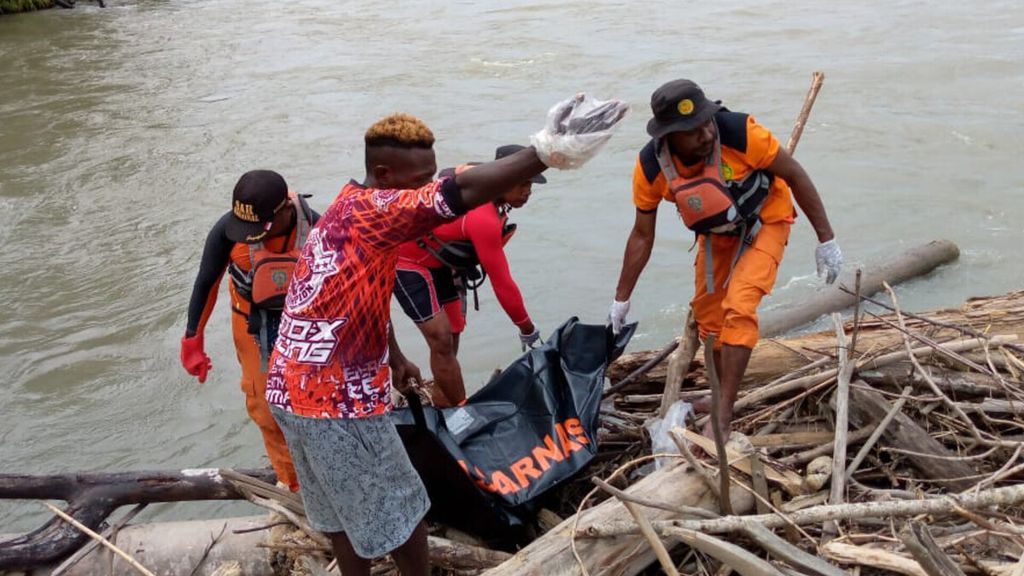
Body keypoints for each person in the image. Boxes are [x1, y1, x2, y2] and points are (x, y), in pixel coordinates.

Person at [265, 99, 626, 576]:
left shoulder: (346, 205)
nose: (426, 188)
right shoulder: (380, 209)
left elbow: (350, 293)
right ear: (383, 172)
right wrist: (546, 151)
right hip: (335, 400)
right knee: (404, 507)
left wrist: (393, 358)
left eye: (430, 175)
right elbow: (459, 191)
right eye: (418, 180)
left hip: (288, 389)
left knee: (338, 510)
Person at [608, 79, 842, 440]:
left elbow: (793, 174)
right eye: (691, 130)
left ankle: (723, 415)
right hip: (716, 236)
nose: (704, 134)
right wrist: (621, 299)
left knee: (739, 307)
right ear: (669, 136)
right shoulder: (651, 168)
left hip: (767, 219)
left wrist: (826, 238)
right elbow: (642, 234)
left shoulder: (739, 132)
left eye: (706, 121)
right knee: (710, 321)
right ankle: (718, 393)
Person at [180, 169, 320, 492]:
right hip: (251, 327)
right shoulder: (227, 232)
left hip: (308, 329)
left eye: (259, 228)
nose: (249, 235)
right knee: (266, 410)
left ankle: (324, 476)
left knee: (313, 408)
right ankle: (294, 486)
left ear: (286, 209)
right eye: (244, 228)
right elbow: (206, 282)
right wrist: (193, 339)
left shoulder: (318, 229)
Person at [393, 144, 545, 406]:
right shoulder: (481, 217)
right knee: (440, 340)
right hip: (406, 261)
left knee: (452, 335)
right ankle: (462, 412)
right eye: (522, 184)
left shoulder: (489, 189)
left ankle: (443, 404)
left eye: (531, 185)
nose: (527, 191)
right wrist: (527, 328)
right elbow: (502, 282)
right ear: (501, 178)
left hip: (440, 265)